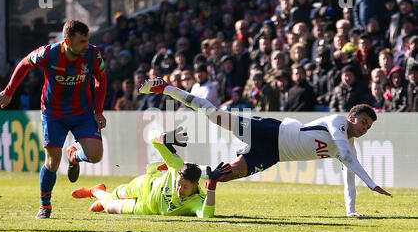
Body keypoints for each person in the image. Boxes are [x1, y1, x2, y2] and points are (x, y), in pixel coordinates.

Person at [139, 78, 392, 217]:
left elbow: (349, 177)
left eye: (368, 127)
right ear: (351, 116)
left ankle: (179, 171)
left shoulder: (348, 147)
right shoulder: (337, 123)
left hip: (273, 154)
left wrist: (351, 212)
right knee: (215, 116)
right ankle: (167, 88)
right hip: (273, 131)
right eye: (363, 122)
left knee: (223, 176)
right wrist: (371, 184)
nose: (364, 128)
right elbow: (347, 157)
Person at [0, 20, 107, 219]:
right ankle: (45, 205)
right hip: (53, 113)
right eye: (82, 41)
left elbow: (101, 80)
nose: (86, 45)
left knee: (96, 155)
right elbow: (23, 64)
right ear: (67, 41)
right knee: (52, 162)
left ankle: (74, 156)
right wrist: (9, 92)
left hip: (83, 112)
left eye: (87, 40)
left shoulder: (93, 54)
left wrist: (98, 111)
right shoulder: (49, 53)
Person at [71, 128, 231, 217]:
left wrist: (211, 186)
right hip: (144, 184)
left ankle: (97, 191)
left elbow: (206, 215)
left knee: (110, 206)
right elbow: (153, 139)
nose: (179, 190)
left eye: (185, 187)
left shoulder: (196, 201)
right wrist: (165, 136)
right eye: (178, 185)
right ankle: (105, 194)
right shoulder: (177, 165)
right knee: (120, 192)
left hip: (145, 207)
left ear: (196, 185)